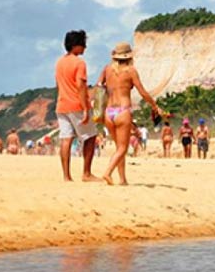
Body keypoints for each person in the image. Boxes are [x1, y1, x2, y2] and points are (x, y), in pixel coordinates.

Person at [96, 42, 166, 185]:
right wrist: (154, 105)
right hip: (123, 111)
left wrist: (98, 108)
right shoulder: (130, 71)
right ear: (129, 56)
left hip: (109, 112)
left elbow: (98, 87)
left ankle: (122, 179)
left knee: (118, 149)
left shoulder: (107, 69)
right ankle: (108, 172)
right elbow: (142, 92)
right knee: (123, 148)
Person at [55, 29, 100, 182]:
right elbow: (81, 86)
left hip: (61, 105)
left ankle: (66, 176)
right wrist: (86, 108)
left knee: (65, 139)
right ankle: (86, 173)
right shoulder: (79, 63)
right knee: (91, 137)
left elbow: (58, 85)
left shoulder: (59, 62)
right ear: (76, 45)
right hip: (76, 104)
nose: (85, 48)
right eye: (83, 44)